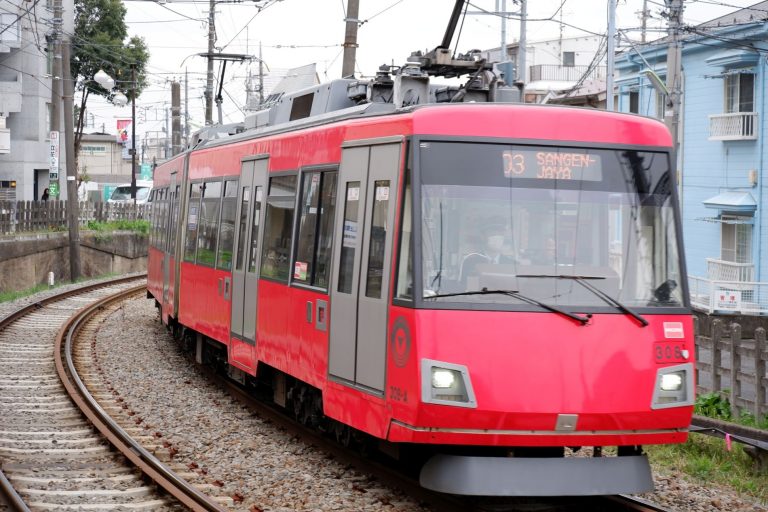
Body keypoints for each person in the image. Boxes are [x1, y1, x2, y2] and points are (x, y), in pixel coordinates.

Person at [459, 222, 515, 287]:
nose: (497, 238)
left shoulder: (512, 264)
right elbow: (463, 287)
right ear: (483, 237)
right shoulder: (469, 262)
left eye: (500, 234)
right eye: (492, 234)